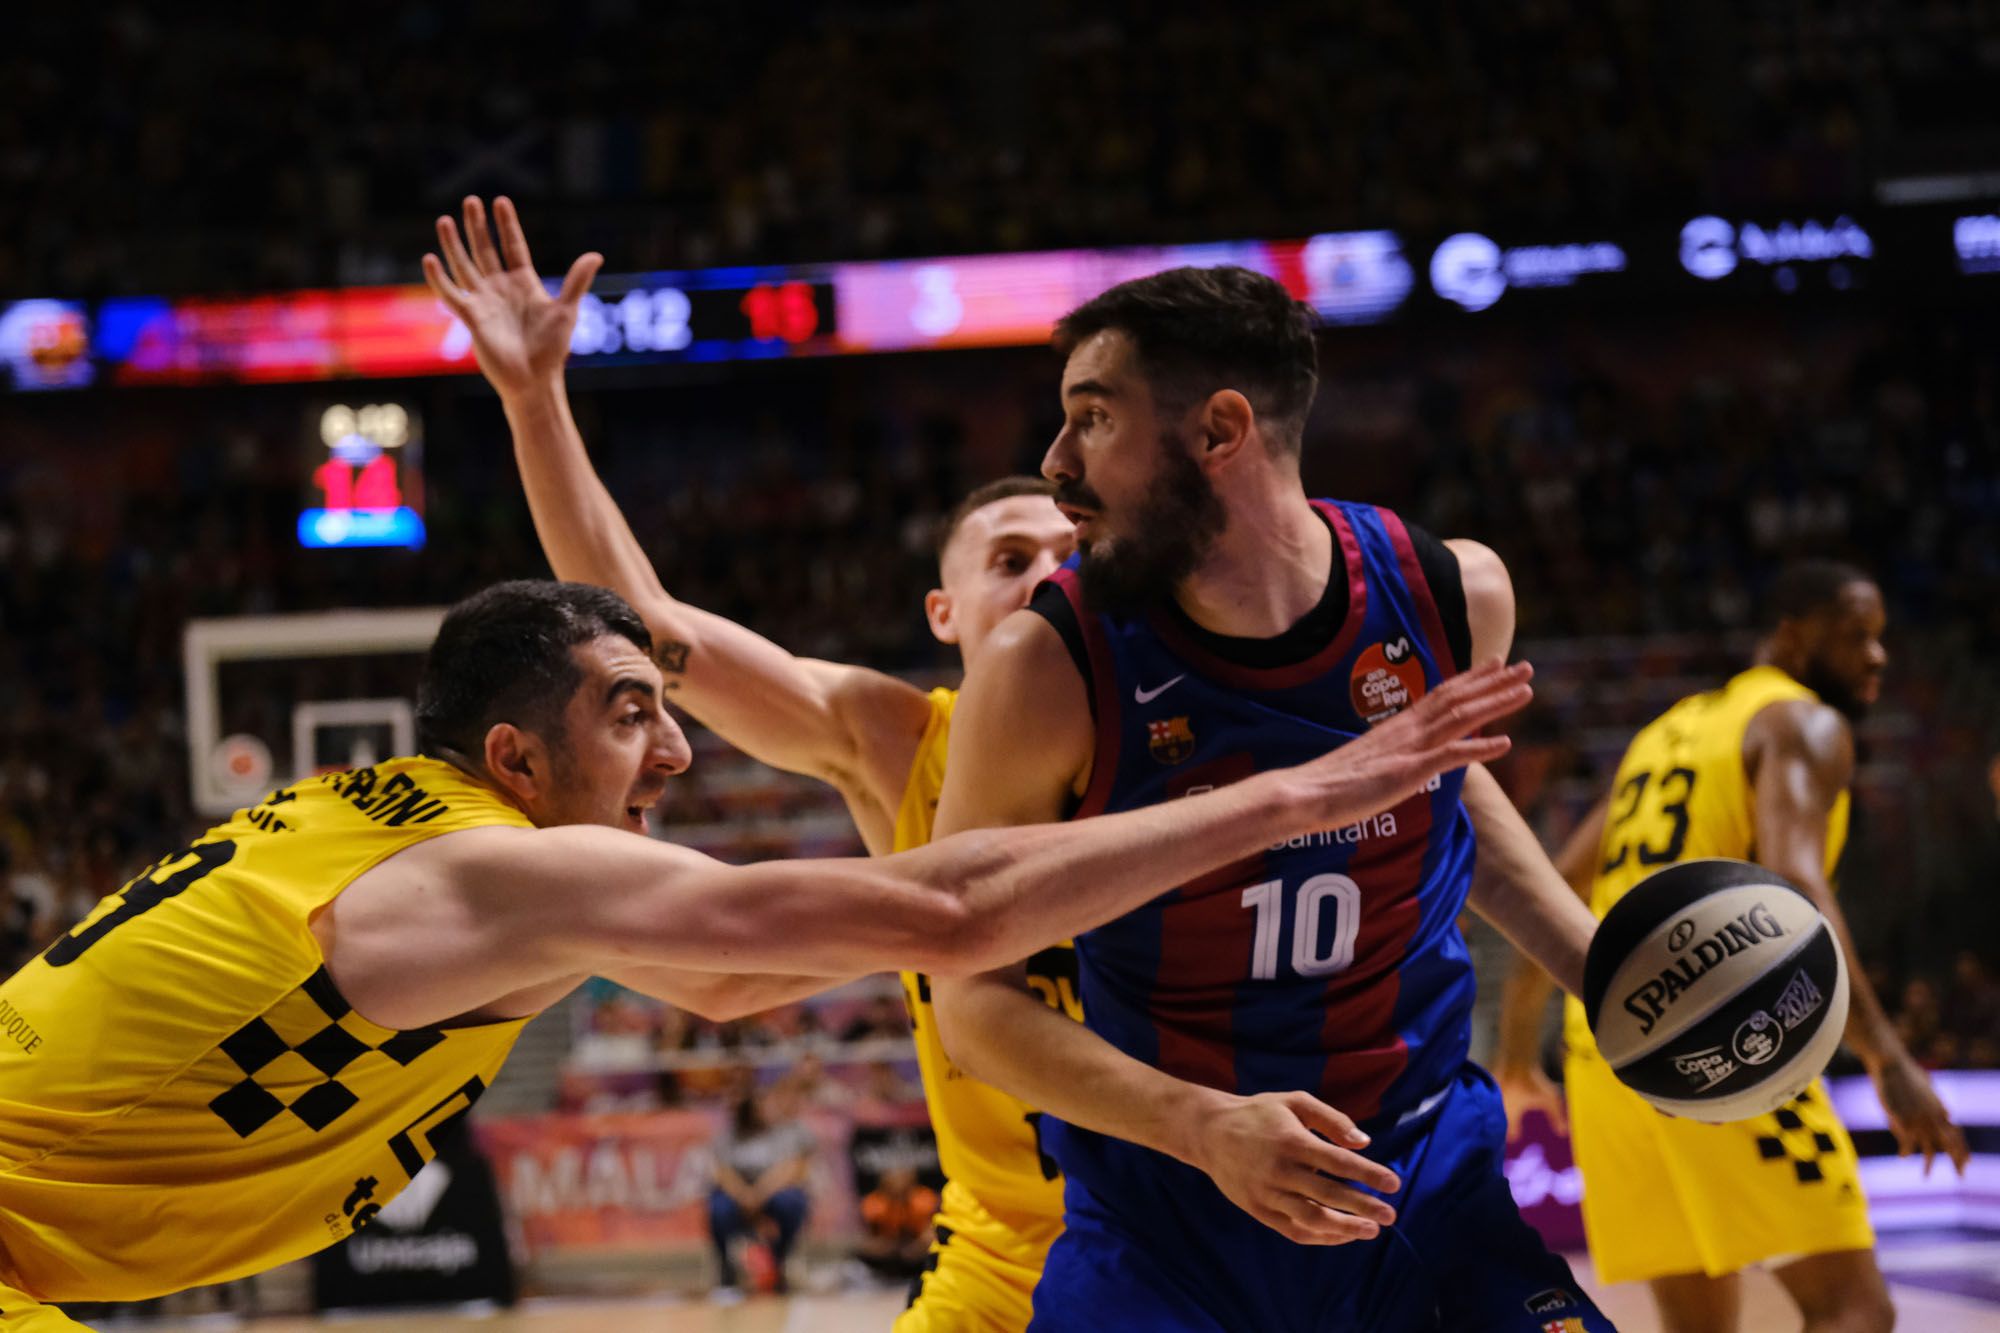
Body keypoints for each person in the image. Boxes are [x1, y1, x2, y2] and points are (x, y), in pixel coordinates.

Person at [433, 194, 1474, 1331]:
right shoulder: (899, 741)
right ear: (941, 611)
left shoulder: (1217, 713)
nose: (1046, 572)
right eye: (1007, 556)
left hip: (1239, 1234)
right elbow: (645, 620)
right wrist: (534, 401)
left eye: (1069, 550)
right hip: (1008, 1265)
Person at [0, 571, 1527, 1327]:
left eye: (666, 707)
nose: (674, 751)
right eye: (629, 715)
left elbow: (735, 981)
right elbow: (942, 918)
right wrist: (1302, 790)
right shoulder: (487, 876)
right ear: (518, 754)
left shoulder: (385, 837)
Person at [926, 266, 1613, 1332]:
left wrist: (1598, 976)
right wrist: (1201, 1126)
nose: (1055, 465)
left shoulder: (1448, 592)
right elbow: (968, 1005)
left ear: (1219, 432)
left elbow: (1441, 783)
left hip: (1417, 1173)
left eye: (1092, 420)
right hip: (1167, 1202)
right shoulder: (1044, 666)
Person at [1495, 560, 1970, 1333]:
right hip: (1722, 1037)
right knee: (1855, 1308)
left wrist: (1518, 1052)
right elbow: (1799, 885)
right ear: (1792, 636)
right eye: (1855, 637)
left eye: (1879, 638)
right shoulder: (1800, 722)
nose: (1876, 656)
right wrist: (1888, 1057)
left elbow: (1552, 883)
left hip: (1606, 1056)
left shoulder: (1667, 730)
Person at [708, 1075, 817, 1299]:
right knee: (719, 1208)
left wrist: (759, 1193)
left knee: (791, 1202)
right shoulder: (728, 1136)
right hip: (738, 1194)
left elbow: (791, 1169)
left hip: (770, 1192)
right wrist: (743, 1195)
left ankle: (779, 1262)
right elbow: (721, 1172)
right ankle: (726, 1270)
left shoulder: (783, 1132)